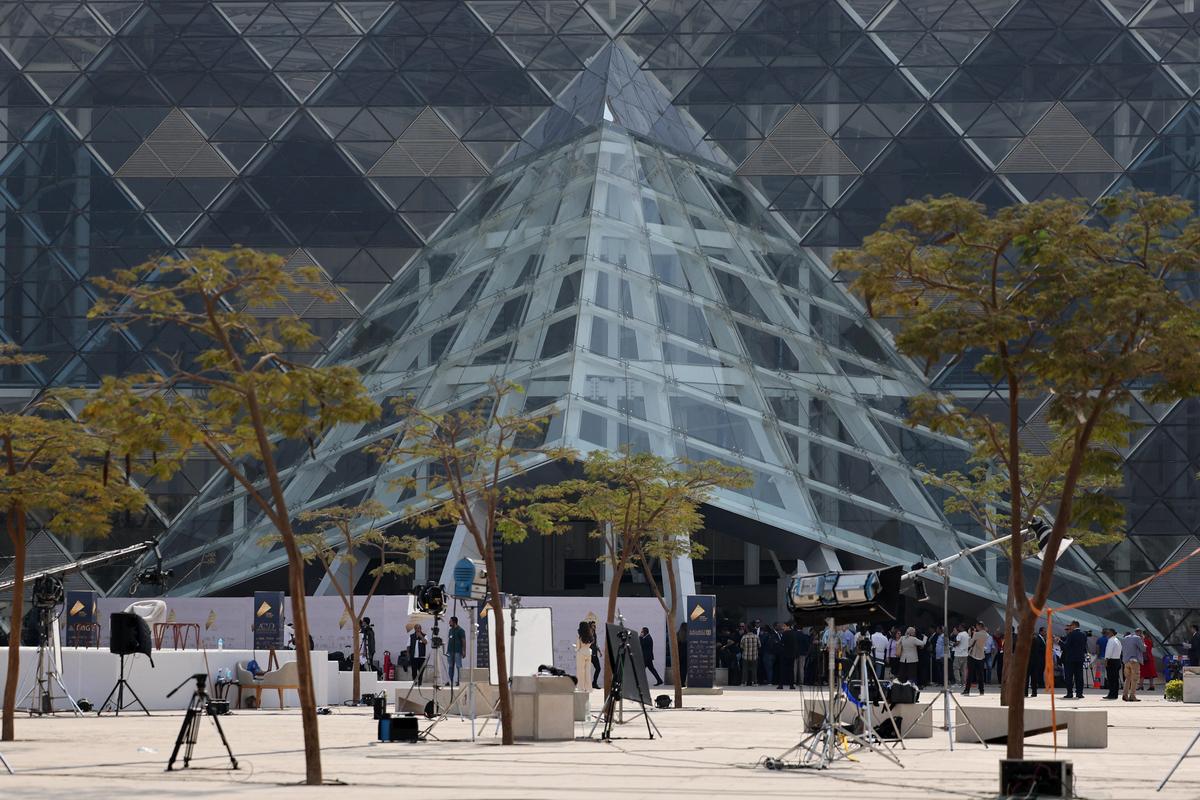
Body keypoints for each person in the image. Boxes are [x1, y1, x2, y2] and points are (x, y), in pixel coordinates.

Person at [1061, 621, 1088, 699]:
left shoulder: (1071, 634)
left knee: (1069, 676)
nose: (1070, 627)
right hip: (1080, 658)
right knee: (1079, 676)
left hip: (1070, 658)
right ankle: (1079, 693)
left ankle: (1070, 693)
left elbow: (1066, 646)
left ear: (1074, 626)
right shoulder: (1083, 634)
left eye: (1071, 625)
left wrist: (1059, 642)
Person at [964, 623, 989, 695]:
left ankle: (967, 690)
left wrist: (969, 635)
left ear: (979, 626)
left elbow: (970, 644)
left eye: (977, 626)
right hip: (981, 655)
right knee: (980, 674)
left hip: (973, 655)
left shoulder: (976, 634)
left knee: (970, 674)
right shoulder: (987, 635)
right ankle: (981, 690)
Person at [1121, 629, 1146, 701]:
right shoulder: (1137, 638)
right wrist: (1142, 640)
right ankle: (1132, 696)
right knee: (1134, 679)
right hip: (1134, 661)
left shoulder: (1126, 638)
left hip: (1126, 661)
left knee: (1127, 679)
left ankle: (1125, 695)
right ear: (1140, 633)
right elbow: (1143, 649)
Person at [1102, 628, 1124, 700]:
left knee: (1111, 678)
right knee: (1115, 679)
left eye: (1108, 633)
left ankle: (1111, 694)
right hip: (1117, 660)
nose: (1107, 634)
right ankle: (1115, 694)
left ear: (1111, 633)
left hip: (1111, 661)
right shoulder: (1117, 640)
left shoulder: (1111, 641)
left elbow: (1109, 651)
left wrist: (1106, 660)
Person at [1026, 627, 1046, 697]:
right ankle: (1034, 692)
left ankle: (1025, 692)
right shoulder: (1036, 639)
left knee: (1026, 677)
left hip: (1028, 661)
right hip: (1035, 660)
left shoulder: (1027, 640)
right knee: (1034, 677)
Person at [445, 616, 465, 686]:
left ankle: (460, 681)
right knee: (450, 666)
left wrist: (463, 651)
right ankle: (450, 681)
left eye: (450, 621)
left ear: (454, 622)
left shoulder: (460, 630)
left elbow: (463, 641)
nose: (449, 622)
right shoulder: (450, 630)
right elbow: (449, 640)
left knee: (458, 666)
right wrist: (447, 651)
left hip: (457, 651)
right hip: (450, 651)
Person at [590, 621, 603, 689]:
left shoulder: (594, 634)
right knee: (585, 669)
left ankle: (594, 683)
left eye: (595, 626)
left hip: (594, 654)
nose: (594, 627)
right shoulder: (588, 634)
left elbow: (595, 644)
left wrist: (599, 651)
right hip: (589, 654)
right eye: (593, 626)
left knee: (598, 668)